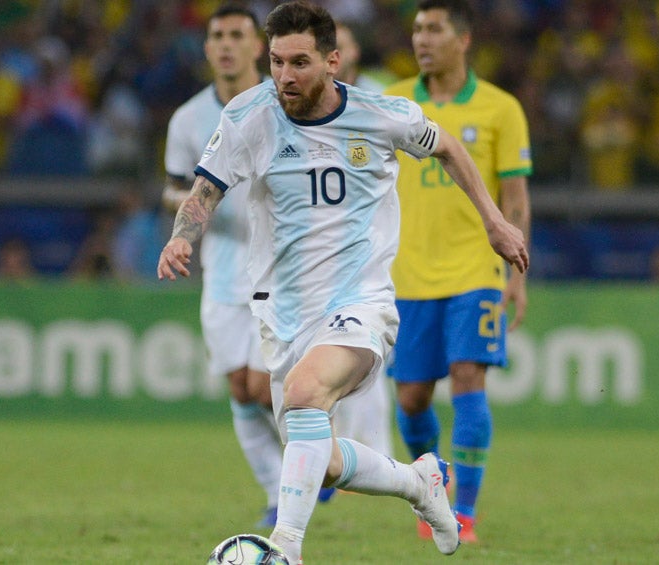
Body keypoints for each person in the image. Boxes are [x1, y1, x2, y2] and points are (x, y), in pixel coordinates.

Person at [156, 2, 528, 562]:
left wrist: (494, 221)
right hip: (282, 311)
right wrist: (183, 235)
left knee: (307, 394)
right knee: (321, 460)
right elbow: (204, 190)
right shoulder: (246, 116)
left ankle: (285, 548)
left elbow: (449, 146)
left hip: (361, 300)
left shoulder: (380, 114)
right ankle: (418, 483)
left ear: (333, 61)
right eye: (278, 62)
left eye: (300, 62)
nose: (285, 76)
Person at [382, 0, 533, 545]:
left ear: (463, 39)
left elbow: (515, 199)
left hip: (475, 271)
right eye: (417, 29)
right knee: (411, 400)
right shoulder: (392, 100)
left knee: (469, 379)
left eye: (434, 29)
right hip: (406, 278)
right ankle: (435, 489)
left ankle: (463, 513)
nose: (421, 38)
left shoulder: (500, 108)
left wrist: (516, 273)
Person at [162, 2, 287, 528]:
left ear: (258, 46)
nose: (227, 44)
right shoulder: (188, 118)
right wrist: (198, 201)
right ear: (208, 47)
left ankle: (308, 469)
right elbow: (171, 187)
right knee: (239, 387)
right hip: (222, 264)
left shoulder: (283, 103)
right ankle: (278, 491)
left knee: (265, 388)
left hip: (281, 266)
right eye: (217, 35)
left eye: (238, 34)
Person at [329, 19, 394, 462]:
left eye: (341, 44)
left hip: (371, 249)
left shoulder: (382, 99)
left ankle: (373, 455)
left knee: (363, 358)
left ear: (353, 53)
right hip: (318, 254)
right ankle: (333, 458)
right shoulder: (299, 105)